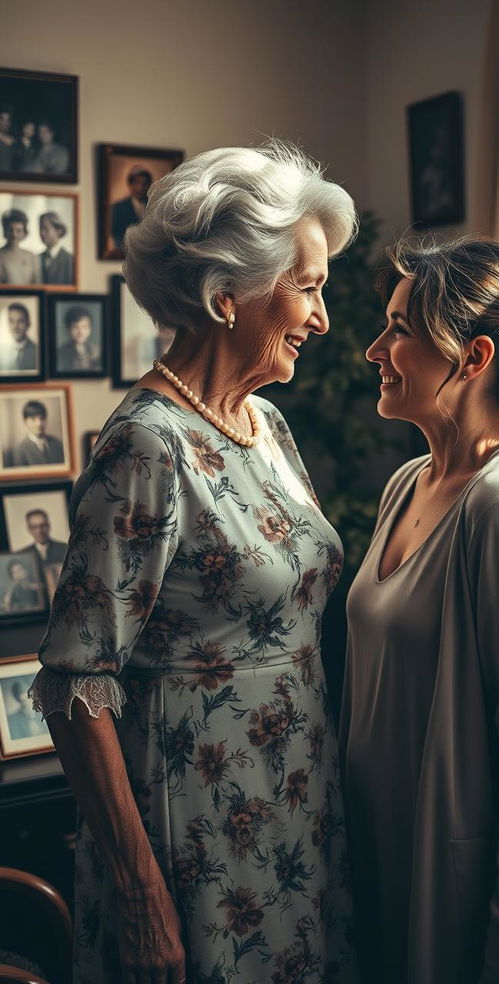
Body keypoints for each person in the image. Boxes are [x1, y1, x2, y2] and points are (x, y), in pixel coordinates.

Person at [30, 141, 359, 984]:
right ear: (226, 297)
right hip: (196, 832)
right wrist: (142, 893)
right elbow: (75, 685)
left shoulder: (267, 424)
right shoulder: (147, 444)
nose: (323, 318)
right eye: (309, 286)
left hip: (297, 810)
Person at [340, 237, 499, 984]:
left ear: (473, 357)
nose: (374, 349)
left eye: (400, 330)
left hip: (459, 904)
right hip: (381, 866)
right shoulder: (406, 482)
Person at [19, 507, 67, 603]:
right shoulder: (23, 555)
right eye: (34, 527)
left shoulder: (65, 549)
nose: (39, 531)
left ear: (48, 526)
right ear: (29, 529)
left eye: (42, 525)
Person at [9, 400, 65, 468]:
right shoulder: (19, 450)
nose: (39, 423)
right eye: (33, 419)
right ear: (25, 421)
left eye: (42, 418)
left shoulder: (57, 443)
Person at [110, 164, 152, 251]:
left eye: (144, 184)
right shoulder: (118, 208)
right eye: (137, 183)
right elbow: (116, 236)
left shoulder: (155, 208)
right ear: (130, 184)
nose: (140, 188)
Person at [56, 305, 101, 372]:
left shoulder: (97, 350)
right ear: (68, 329)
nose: (81, 332)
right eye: (75, 327)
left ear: (90, 328)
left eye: (85, 327)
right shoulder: (60, 352)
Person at [0, 208, 38, 285]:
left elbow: (36, 285)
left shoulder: (31, 257)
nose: (14, 235)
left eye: (18, 230)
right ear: (5, 231)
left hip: (29, 297)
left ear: (24, 232)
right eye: (10, 230)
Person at [0, 302, 37, 372]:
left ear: (28, 324)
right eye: (11, 321)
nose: (15, 327)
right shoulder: (1, 351)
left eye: (20, 321)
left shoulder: (37, 351)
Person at [39, 211, 74, 285]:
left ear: (59, 231)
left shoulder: (70, 260)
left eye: (45, 229)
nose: (42, 233)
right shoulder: (37, 258)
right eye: (40, 228)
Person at [0, 105, 15, 171]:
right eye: (2, 119)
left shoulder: (15, 141)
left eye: (8, 120)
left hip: (12, 179)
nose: (5, 122)